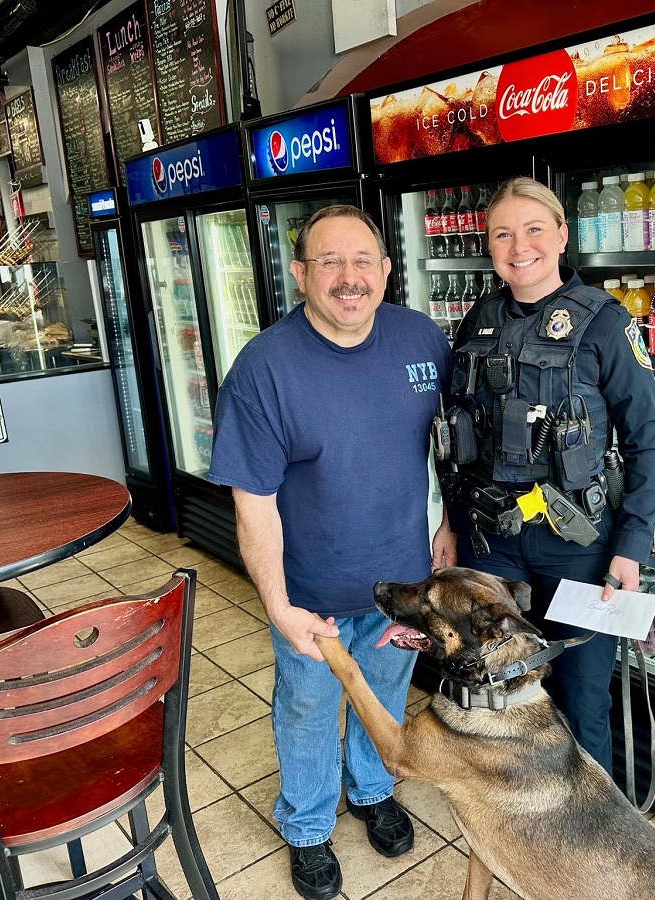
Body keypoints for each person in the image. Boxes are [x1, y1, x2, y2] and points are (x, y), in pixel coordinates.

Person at [209, 205, 454, 900]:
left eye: (363, 263)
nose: (349, 280)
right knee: (309, 709)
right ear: (300, 274)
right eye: (329, 263)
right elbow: (252, 502)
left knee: (383, 694)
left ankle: (372, 791)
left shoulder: (421, 341)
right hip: (310, 594)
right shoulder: (264, 369)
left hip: (402, 583)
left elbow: (444, 448)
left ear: (385, 270)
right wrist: (278, 605)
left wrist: (447, 526)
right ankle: (309, 827)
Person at [438, 177, 655, 774]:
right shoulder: (478, 320)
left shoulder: (605, 324)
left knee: (582, 697)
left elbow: (646, 439)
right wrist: (448, 523)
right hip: (490, 540)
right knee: (495, 684)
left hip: (578, 545)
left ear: (562, 236)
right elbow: (460, 432)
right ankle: (515, 812)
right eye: (503, 234)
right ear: (489, 246)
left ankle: (592, 841)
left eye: (534, 230)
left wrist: (632, 545)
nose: (520, 247)